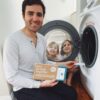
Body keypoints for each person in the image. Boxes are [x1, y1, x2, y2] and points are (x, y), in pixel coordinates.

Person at [3, 0, 77, 100]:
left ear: (43, 17)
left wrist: (65, 64)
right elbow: (11, 77)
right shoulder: (12, 41)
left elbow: (44, 63)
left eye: (39, 14)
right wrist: (39, 84)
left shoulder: (42, 39)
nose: (35, 18)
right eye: (30, 13)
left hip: (42, 81)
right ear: (23, 15)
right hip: (24, 88)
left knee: (71, 94)